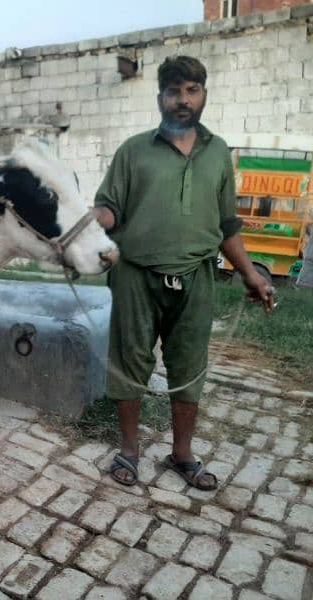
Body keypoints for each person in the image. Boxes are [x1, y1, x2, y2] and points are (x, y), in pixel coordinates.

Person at [93, 55, 274, 490]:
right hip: (135, 273)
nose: (182, 100)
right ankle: (130, 451)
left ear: (204, 95)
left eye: (191, 91)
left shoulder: (217, 154)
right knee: (131, 360)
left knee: (189, 364)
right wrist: (84, 220)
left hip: (196, 277)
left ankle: (182, 455)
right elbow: (109, 210)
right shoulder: (133, 151)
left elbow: (227, 225)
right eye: (173, 91)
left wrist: (250, 273)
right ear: (160, 97)